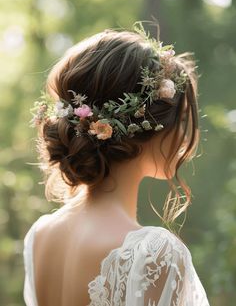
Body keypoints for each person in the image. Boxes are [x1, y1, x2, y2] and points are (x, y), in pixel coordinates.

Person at [23, 24, 210, 306]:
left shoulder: (40, 235)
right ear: (148, 125)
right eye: (180, 120)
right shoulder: (152, 254)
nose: (184, 137)